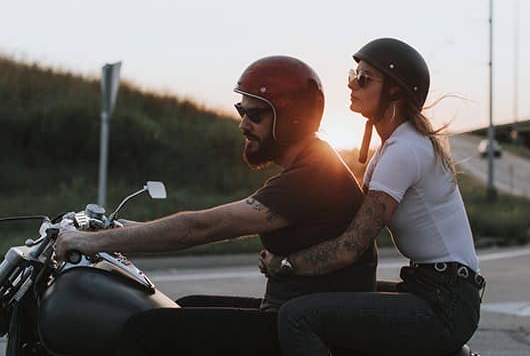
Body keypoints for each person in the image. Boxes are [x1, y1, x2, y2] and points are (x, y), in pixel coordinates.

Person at [55, 55, 377, 355]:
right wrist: (112, 229)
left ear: (290, 119)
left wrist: (93, 242)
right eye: (241, 111)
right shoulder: (313, 166)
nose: (243, 124)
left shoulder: (314, 176)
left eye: (255, 115)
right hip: (287, 312)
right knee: (185, 305)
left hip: (304, 328)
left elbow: (201, 228)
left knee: (147, 328)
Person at [261, 38, 485, 356]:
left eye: (364, 78)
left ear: (394, 90)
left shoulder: (405, 150)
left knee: (298, 316)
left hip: (444, 304)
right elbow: (344, 219)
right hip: (433, 290)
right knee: (335, 298)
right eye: (353, 75)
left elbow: (350, 247)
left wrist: (285, 265)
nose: (352, 84)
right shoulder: (394, 147)